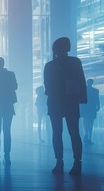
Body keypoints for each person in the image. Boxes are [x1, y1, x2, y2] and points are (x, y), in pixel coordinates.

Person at [44, 37, 87, 176]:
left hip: (55, 102)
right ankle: (77, 162)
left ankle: (59, 162)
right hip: (71, 101)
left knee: (57, 133)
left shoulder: (50, 65)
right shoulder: (75, 62)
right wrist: (83, 96)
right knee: (74, 132)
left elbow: (47, 87)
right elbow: (81, 79)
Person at [80, 79, 100, 144]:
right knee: (91, 123)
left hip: (85, 108)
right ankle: (89, 137)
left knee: (85, 122)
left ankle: (86, 134)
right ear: (92, 83)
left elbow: (81, 99)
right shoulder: (95, 91)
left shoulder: (83, 89)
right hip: (92, 108)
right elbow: (97, 99)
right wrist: (98, 106)